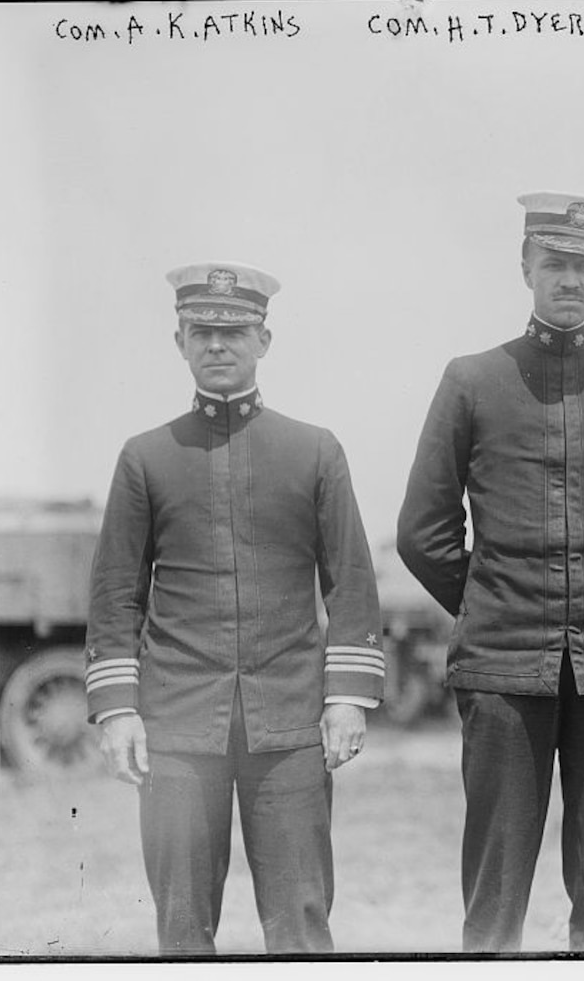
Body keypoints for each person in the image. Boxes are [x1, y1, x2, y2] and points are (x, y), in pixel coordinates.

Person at [396, 192, 584, 952]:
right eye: (555, 262)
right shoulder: (471, 380)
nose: (570, 279)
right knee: (495, 894)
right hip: (500, 670)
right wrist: (493, 604)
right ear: (526, 266)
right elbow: (421, 530)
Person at [84, 262, 384, 955]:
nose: (218, 344)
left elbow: (351, 580)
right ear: (180, 341)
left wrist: (346, 699)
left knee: (302, 921)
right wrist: (120, 709)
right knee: (182, 927)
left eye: (235, 331)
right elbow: (114, 596)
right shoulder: (146, 457)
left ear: (265, 339)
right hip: (178, 726)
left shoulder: (313, 449)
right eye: (203, 331)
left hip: (289, 723)